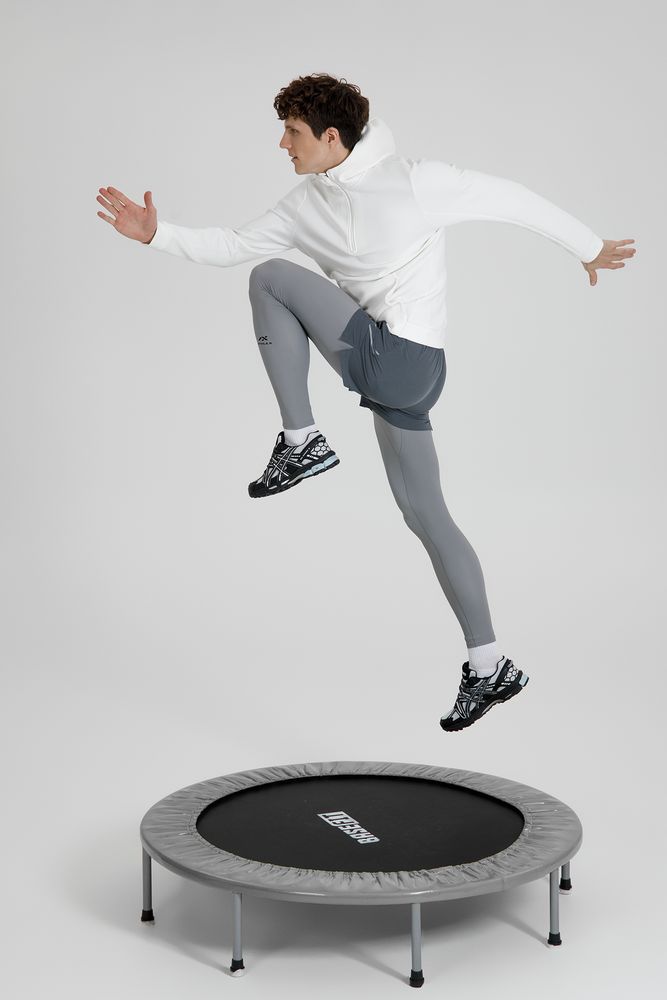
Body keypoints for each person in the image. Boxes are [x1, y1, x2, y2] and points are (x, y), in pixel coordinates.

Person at [96, 73, 636, 732]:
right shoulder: (303, 204)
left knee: (272, 279)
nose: (282, 145)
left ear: (331, 136)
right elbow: (230, 245)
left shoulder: (416, 181)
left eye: (292, 132)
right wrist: (156, 234)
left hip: (397, 358)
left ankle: (302, 442)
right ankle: (489, 664)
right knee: (426, 516)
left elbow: (511, 199)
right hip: (409, 372)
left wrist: (588, 247)